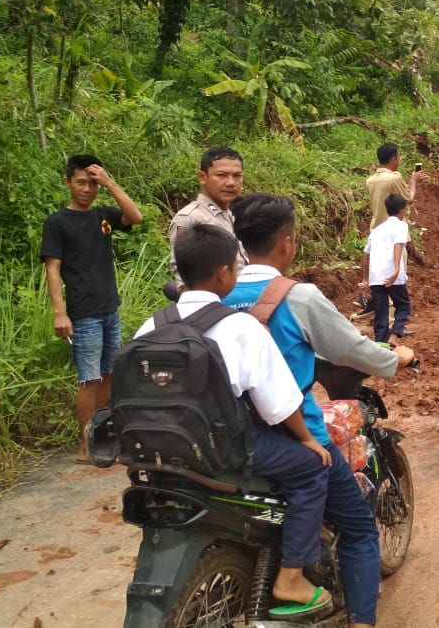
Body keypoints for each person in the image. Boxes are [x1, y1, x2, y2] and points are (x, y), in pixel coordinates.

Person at [224, 194, 415, 628]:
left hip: (230, 433)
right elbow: (351, 348)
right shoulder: (300, 296)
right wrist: (395, 359)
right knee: (361, 529)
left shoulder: (218, 290)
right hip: (295, 434)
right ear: (287, 243)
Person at [140, 224, 333, 616]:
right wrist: (309, 442)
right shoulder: (238, 326)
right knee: (312, 469)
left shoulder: (152, 325)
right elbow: (279, 405)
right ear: (224, 274)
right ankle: (292, 579)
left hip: (161, 452)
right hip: (221, 452)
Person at [41, 154, 143, 463]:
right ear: (68, 183)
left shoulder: (102, 215)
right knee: (89, 378)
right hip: (83, 312)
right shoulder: (58, 222)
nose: (87, 189)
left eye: (92, 183)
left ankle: (103, 435)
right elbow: (53, 270)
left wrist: (109, 182)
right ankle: (85, 443)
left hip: (110, 308)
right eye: (81, 183)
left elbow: (135, 217)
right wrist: (60, 313)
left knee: (109, 373)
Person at [167, 146, 247, 292]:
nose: (231, 182)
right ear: (202, 177)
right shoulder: (189, 218)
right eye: (221, 175)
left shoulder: (234, 214)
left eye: (237, 176)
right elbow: (183, 274)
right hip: (215, 306)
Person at [360, 194, 413, 343]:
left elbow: (365, 254)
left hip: (376, 277)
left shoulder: (376, 230)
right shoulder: (401, 225)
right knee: (403, 306)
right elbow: (397, 245)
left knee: (380, 314)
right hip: (392, 276)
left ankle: (381, 349)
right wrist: (396, 270)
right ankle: (395, 335)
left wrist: (365, 278)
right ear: (402, 211)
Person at [365, 142, 426, 230]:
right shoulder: (394, 178)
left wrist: (413, 182)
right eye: (398, 158)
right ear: (393, 160)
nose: (399, 161)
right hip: (393, 230)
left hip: (376, 229)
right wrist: (414, 181)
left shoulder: (370, 180)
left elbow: (400, 194)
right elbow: (409, 199)